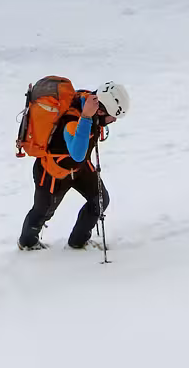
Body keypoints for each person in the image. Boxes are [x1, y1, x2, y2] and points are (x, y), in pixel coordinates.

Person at [18, 81, 130, 250]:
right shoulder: (73, 120)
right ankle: (27, 243)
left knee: (99, 200)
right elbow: (77, 154)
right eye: (112, 116)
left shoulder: (89, 101)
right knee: (43, 212)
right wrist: (85, 118)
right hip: (53, 173)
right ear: (99, 110)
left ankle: (78, 242)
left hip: (79, 168)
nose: (113, 120)